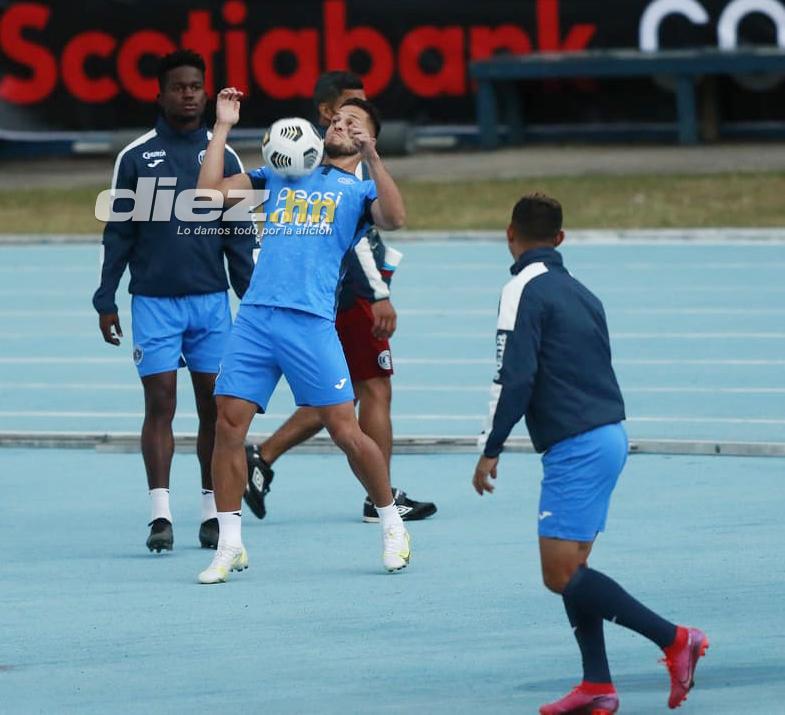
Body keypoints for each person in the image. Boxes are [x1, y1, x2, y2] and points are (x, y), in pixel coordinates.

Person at [471, 194, 708, 714]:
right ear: (560, 239)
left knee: (559, 575)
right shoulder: (583, 293)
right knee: (576, 575)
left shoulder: (520, 289)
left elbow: (514, 376)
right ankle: (597, 683)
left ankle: (675, 639)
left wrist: (491, 448)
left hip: (576, 445)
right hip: (606, 434)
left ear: (510, 234)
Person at [195, 88, 411, 584]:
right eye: (338, 119)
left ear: (368, 138)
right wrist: (224, 125)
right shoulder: (283, 170)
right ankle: (230, 544)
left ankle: (391, 521)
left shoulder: (360, 192)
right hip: (255, 318)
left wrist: (373, 155)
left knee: (344, 430)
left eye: (354, 123)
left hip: (310, 323)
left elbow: (396, 219)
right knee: (229, 424)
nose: (341, 126)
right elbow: (206, 196)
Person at [243, 70, 436, 525]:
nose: (355, 122)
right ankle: (379, 497)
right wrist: (380, 294)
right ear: (328, 114)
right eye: (350, 110)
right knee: (370, 389)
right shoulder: (325, 166)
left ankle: (263, 458)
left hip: (330, 294)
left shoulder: (338, 165)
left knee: (339, 398)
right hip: (346, 295)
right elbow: (357, 238)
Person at [92, 51, 255, 553]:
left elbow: (239, 235)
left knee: (214, 407)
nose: (189, 93)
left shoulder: (225, 156)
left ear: (207, 94)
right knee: (160, 403)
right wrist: (106, 297)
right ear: (159, 95)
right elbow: (119, 233)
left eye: (196, 86)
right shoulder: (136, 157)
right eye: (179, 87)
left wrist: (250, 298)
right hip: (155, 304)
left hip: (210, 304)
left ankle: (210, 509)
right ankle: (160, 515)